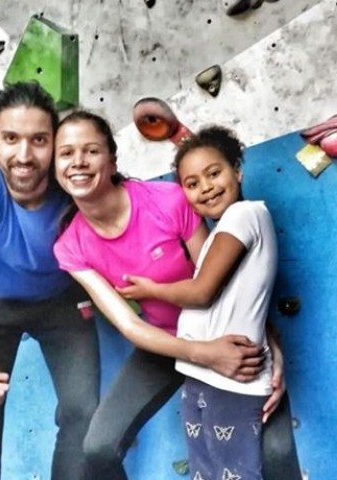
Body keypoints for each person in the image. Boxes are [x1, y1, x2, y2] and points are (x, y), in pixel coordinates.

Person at [53, 111, 299, 479]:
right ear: (55, 167)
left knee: (277, 452)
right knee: (99, 447)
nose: (78, 162)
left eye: (91, 150)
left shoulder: (169, 200)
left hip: (227, 339)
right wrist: (201, 353)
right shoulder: (70, 246)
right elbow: (131, 327)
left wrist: (271, 350)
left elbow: (225, 286)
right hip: (165, 345)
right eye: (66, 153)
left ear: (112, 159)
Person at [0, 82, 101, 480]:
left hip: (61, 300)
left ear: (55, 141)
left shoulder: (73, 177)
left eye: (39, 140)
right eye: (11, 138)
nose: (24, 155)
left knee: (83, 413)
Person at [117, 125, 278, 479]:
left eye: (214, 173)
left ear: (237, 170)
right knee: (205, 473)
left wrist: (151, 290)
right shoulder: (222, 231)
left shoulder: (245, 215)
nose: (206, 187)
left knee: (236, 474)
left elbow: (203, 292)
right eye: (192, 183)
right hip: (203, 374)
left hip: (233, 381)